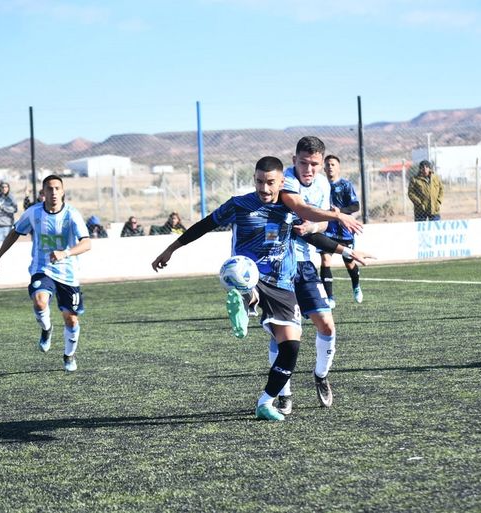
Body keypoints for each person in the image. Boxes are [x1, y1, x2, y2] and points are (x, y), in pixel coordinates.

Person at [151, 156, 371, 421]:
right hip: (249, 273)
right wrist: (170, 249)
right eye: (258, 182)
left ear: (281, 183)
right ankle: (246, 299)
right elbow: (204, 225)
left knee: (291, 346)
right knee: (243, 273)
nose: (264, 189)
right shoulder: (239, 205)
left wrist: (346, 249)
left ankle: (265, 402)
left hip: (282, 284)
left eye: (269, 183)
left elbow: (311, 235)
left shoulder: (289, 209)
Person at [0, 175, 91, 372]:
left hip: (68, 274)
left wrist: (65, 253)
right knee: (40, 301)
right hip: (42, 269)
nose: (53, 192)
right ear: (42, 193)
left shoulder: (72, 214)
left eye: (57, 189)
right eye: (49, 189)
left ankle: (69, 355)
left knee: (71, 319)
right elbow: (14, 233)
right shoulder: (33, 213)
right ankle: (46, 329)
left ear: (63, 192)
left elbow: (87, 243)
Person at [274, 136, 345, 415]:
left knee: (326, 325)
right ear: (294, 161)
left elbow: (322, 221)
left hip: (305, 264)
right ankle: (284, 392)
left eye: (314, 164)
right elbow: (300, 208)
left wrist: (313, 228)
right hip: (279, 266)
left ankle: (321, 375)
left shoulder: (324, 184)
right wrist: (329, 218)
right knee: (284, 333)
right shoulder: (286, 181)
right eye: (303, 162)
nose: (309, 169)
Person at [319, 154, 363, 307]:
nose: (330, 167)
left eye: (333, 164)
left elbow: (355, 206)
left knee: (349, 262)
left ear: (338, 167)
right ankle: (329, 298)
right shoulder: (320, 184)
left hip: (344, 230)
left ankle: (356, 286)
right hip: (326, 229)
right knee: (325, 261)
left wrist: (341, 211)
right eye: (327, 164)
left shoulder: (345, 185)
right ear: (323, 168)